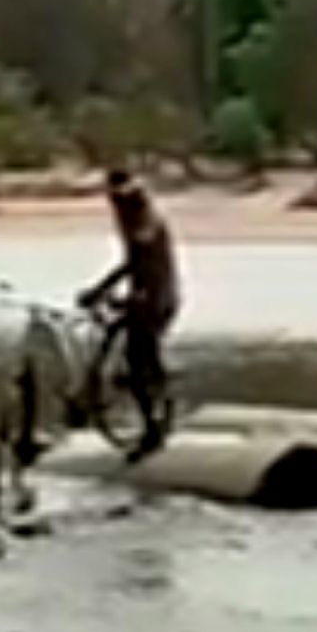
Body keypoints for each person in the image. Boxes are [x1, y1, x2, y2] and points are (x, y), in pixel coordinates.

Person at [77, 170, 181, 462]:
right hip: (148, 294)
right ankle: (149, 399)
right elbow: (131, 265)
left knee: (139, 361)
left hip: (155, 297)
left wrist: (101, 290)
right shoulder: (137, 218)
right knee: (134, 355)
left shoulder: (144, 221)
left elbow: (138, 264)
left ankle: (152, 430)